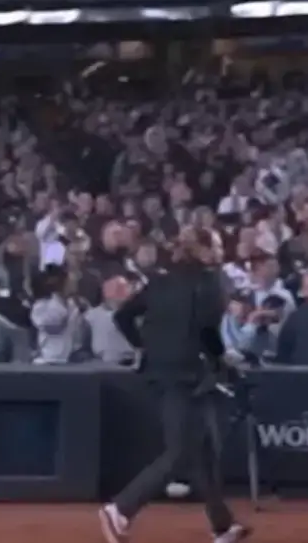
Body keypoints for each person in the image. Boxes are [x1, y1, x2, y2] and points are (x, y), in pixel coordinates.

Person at [99, 227, 251, 543]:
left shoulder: (160, 280)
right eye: (218, 245)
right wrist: (222, 364)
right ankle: (121, 509)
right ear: (204, 251)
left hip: (162, 373)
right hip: (187, 376)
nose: (222, 251)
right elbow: (209, 334)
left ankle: (221, 526)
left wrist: (144, 347)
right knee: (180, 452)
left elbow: (123, 317)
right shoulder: (211, 282)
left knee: (204, 450)